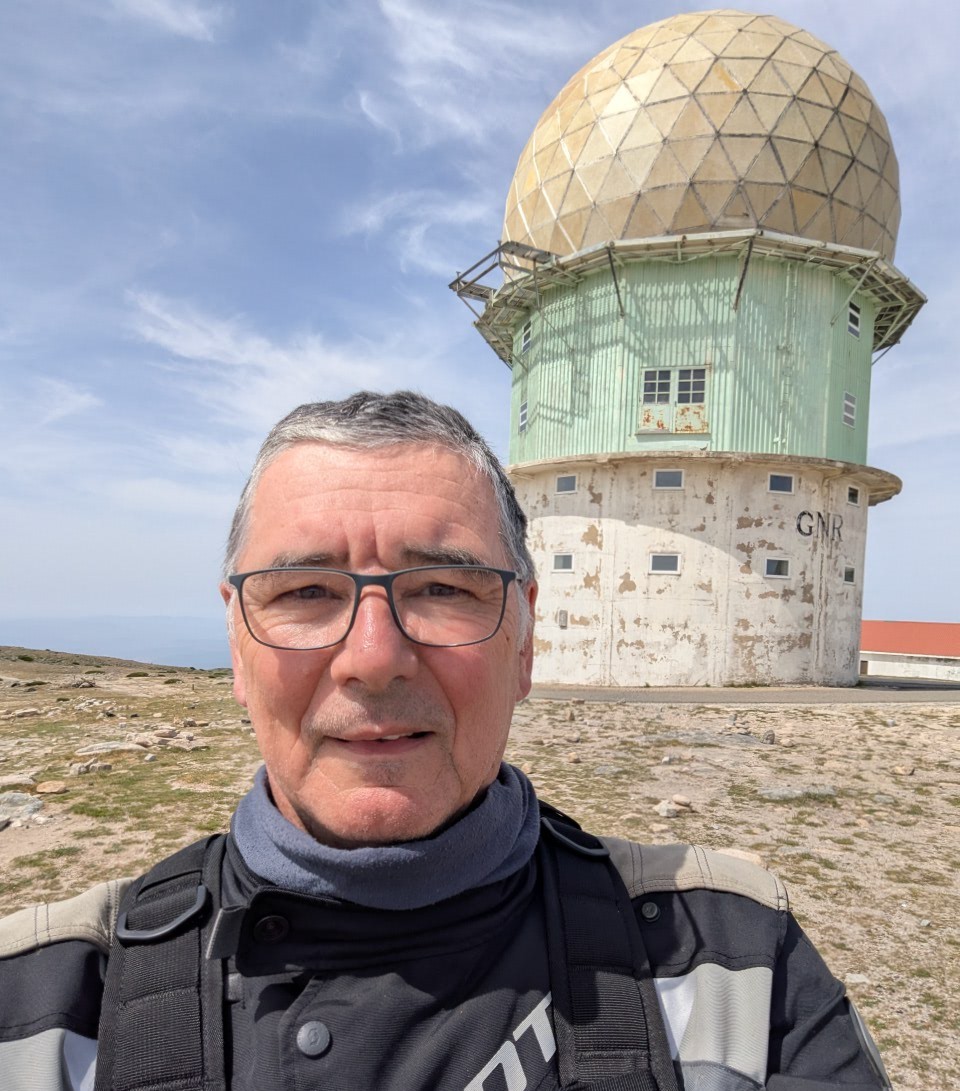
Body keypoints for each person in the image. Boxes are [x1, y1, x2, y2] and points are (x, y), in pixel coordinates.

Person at [0, 391, 890, 1091]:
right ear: (238, 642)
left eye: (443, 589)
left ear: (525, 640)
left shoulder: (734, 962)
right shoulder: (40, 1007)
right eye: (304, 591)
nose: (373, 658)